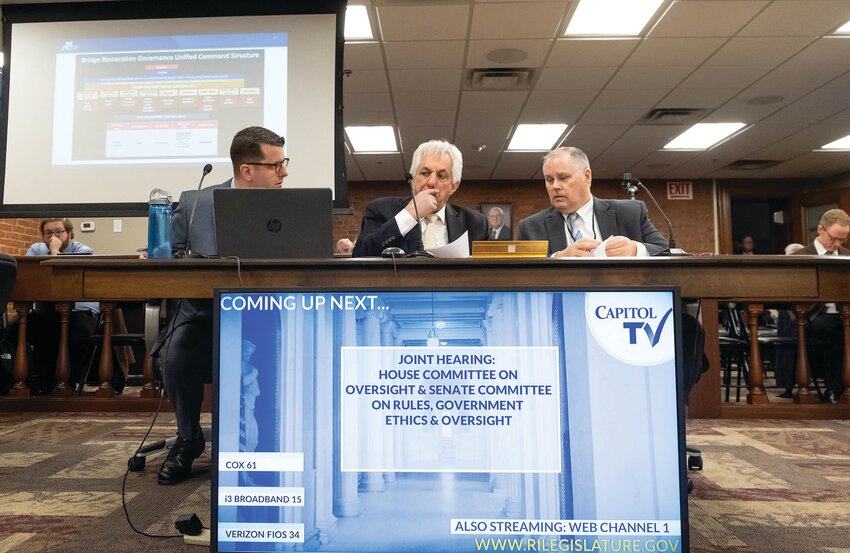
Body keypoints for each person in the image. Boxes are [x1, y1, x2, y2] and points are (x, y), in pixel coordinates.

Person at [153, 126, 287, 485]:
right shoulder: (195, 202)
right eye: (277, 165)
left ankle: (269, 444)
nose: (285, 173)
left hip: (266, 317)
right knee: (177, 353)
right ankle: (188, 438)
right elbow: (173, 250)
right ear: (247, 170)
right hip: (203, 315)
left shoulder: (290, 207)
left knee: (284, 352)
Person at [517, 147, 668, 257]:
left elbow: (669, 251)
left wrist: (636, 249)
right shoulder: (531, 227)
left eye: (563, 178)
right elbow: (519, 274)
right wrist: (558, 258)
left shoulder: (630, 213)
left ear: (587, 176)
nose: (555, 186)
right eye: (549, 180)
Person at [352, 139, 488, 257]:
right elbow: (360, 255)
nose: (431, 182)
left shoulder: (476, 224)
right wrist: (409, 215)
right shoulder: (380, 209)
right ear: (413, 178)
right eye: (425, 173)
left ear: (453, 186)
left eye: (441, 176)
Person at [23, 219, 99, 394]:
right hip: (47, 311)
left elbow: (64, 283)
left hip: (80, 311)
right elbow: (29, 278)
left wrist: (55, 251)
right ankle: (40, 385)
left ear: (70, 233)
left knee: (73, 333)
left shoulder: (83, 251)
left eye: (58, 232)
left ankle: (66, 385)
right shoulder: (36, 250)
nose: (53, 237)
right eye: (48, 233)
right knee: (20, 330)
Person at [790, 209, 850, 403]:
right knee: (838, 331)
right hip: (811, 316)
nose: (837, 245)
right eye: (833, 239)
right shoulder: (800, 257)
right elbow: (792, 296)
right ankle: (834, 390)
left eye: (843, 240)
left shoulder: (847, 256)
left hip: (844, 314)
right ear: (820, 230)